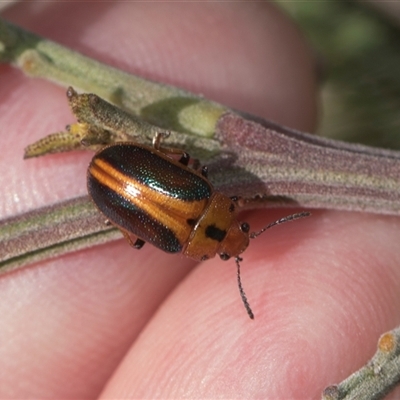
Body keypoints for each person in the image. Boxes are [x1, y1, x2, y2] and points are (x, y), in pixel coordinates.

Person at [1, 2, 399, 399]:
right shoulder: (179, 236)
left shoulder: (201, 194)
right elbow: (146, 223)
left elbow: (187, 164)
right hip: (112, 184)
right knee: (139, 234)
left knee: (181, 172)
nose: (240, 234)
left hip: (116, 173)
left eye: (232, 242)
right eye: (242, 231)